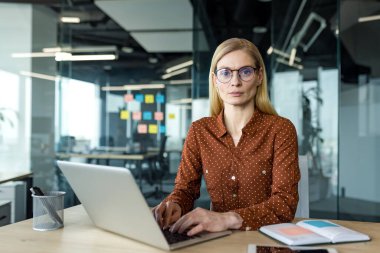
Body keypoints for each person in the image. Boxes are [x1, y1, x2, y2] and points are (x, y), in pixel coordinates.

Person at [153, 38, 300, 236]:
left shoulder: (280, 129)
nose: (235, 81)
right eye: (225, 73)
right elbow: (185, 190)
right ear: (215, 80)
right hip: (217, 240)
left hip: (266, 239)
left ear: (259, 77)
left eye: (245, 72)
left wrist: (226, 218)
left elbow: (285, 204)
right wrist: (175, 205)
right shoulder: (200, 131)